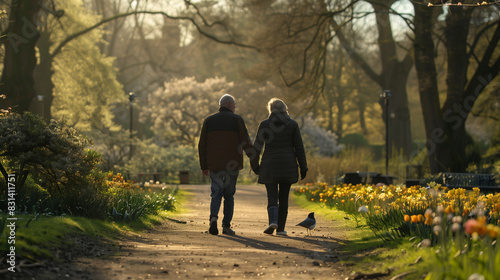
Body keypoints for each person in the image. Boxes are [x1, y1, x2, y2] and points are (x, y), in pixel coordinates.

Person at [198, 94, 255, 235]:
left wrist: (204, 165)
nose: (235, 108)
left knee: (215, 193)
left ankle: (213, 218)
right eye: (234, 106)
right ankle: (226, 226)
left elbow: (202, 145)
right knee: (229, 195)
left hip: (215, 164)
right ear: (230, 105)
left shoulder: (209, 120)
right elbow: (245, 140)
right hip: (233, 165)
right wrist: (253, 158)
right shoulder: (237, 120)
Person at [251, 98, 308, 236]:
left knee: (272, 197)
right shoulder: (292, 124)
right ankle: (281, 229)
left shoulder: (265, 124)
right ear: (285, 109)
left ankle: (273, 221)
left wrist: (255, 166)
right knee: (284, 198)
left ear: (270, 110)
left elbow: (257, 147)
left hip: (269, 165)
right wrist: (303, 167)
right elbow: (299, 147)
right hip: (288, 165)